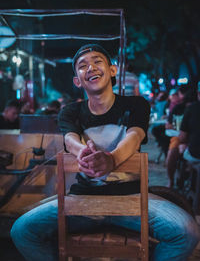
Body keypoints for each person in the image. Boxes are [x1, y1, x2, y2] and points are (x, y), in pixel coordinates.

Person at [11, 44, 200, 261]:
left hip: (132, 200)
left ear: (112, 70)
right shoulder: (70, 112)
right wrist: (83, 151)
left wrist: (112, 160)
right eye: (83, 66)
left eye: (97, 61)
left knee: (187, 232)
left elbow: (135, 136)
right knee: (22, 230)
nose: (90, 67)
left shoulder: (136, 105)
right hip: (82, 200)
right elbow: (70, 139)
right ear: (77, 80)